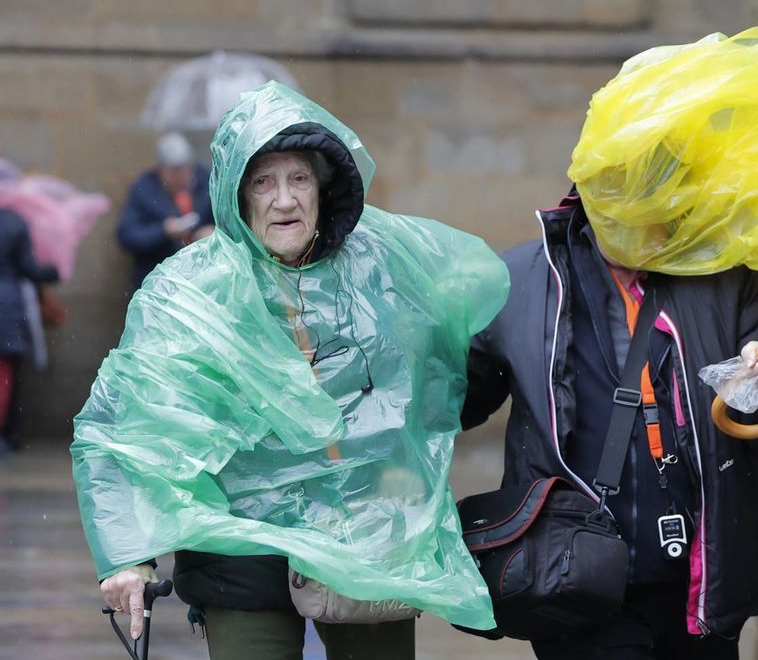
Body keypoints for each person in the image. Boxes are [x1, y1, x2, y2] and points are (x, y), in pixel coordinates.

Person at [76, 83, 506, 659]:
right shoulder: (190, 293)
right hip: (243, 558)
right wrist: (129, 554)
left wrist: (411, 470)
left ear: (322, 188)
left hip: (366, 540)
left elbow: (448, 364)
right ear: (237, 195)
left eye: (298, 178)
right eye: (263, 181)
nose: (284, 201)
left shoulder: (378, 266)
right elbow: (128, 427)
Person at [461, 189, 758, 659]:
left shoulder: (731, 275)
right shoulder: (520, 280)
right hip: (570, 576)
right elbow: (455, 403)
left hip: (701, 581)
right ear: (586, 191)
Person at [116, 131, 215, 289]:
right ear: (160, 169)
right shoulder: (144, 189)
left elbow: (231, 222)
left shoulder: (208, 183)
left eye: (186, 168)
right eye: (174, 170)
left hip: (202, 278)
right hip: (158, 279)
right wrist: (163, 230)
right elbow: (127, 235)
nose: (181, 175)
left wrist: (214, 234)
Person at [0, 200, 59, 455]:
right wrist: (52, 271)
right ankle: (5, 435)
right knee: (5, 375)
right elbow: (30, 268)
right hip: (7, 306)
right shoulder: (14, 221)